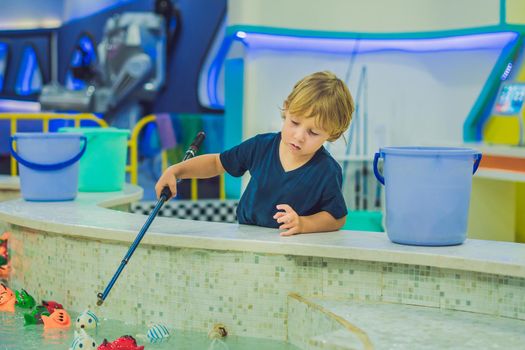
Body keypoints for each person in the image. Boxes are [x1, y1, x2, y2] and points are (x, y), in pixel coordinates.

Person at [155, 71, 354, 236]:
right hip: (246, 235)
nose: (299, 136)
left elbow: (337, 216)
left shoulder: (327, 170)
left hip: (291, 246)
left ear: (332, 134)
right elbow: (217, 163)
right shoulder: (261, 146)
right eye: (294, 122)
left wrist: (303, 224)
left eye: (313, 132)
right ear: (286, 108)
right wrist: (177, 170)